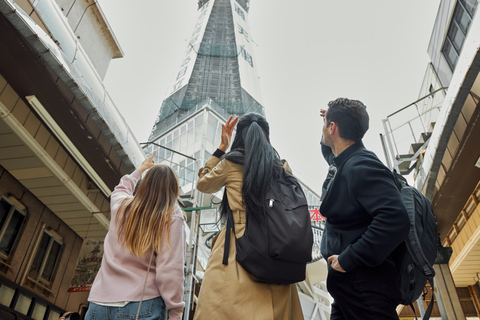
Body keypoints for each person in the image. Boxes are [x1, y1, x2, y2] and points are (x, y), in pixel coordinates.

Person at [194, 113, 304, 320]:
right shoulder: (281, 168)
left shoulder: (230, 164)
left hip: (236, 248)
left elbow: (203, 184)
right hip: (276, 250)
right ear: (266, 136)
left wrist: (221, 148)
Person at [319, 98, 410, 320]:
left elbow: (395, 219)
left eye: (326, 124)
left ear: (333, 128)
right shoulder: (348, 161)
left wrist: (348, 259)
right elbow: (331, 155)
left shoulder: (362, 165)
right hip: (348, 286)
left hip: (364, 282)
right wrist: (329, 124)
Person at [85, 152, 185, 320]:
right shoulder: (172, 215)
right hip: (142, 303)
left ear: (144, 185)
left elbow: (121, 188)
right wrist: (175, 312)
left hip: (99, 303)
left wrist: (141, 169)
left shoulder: (121, 206)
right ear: (173, 190)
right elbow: (170, 268)